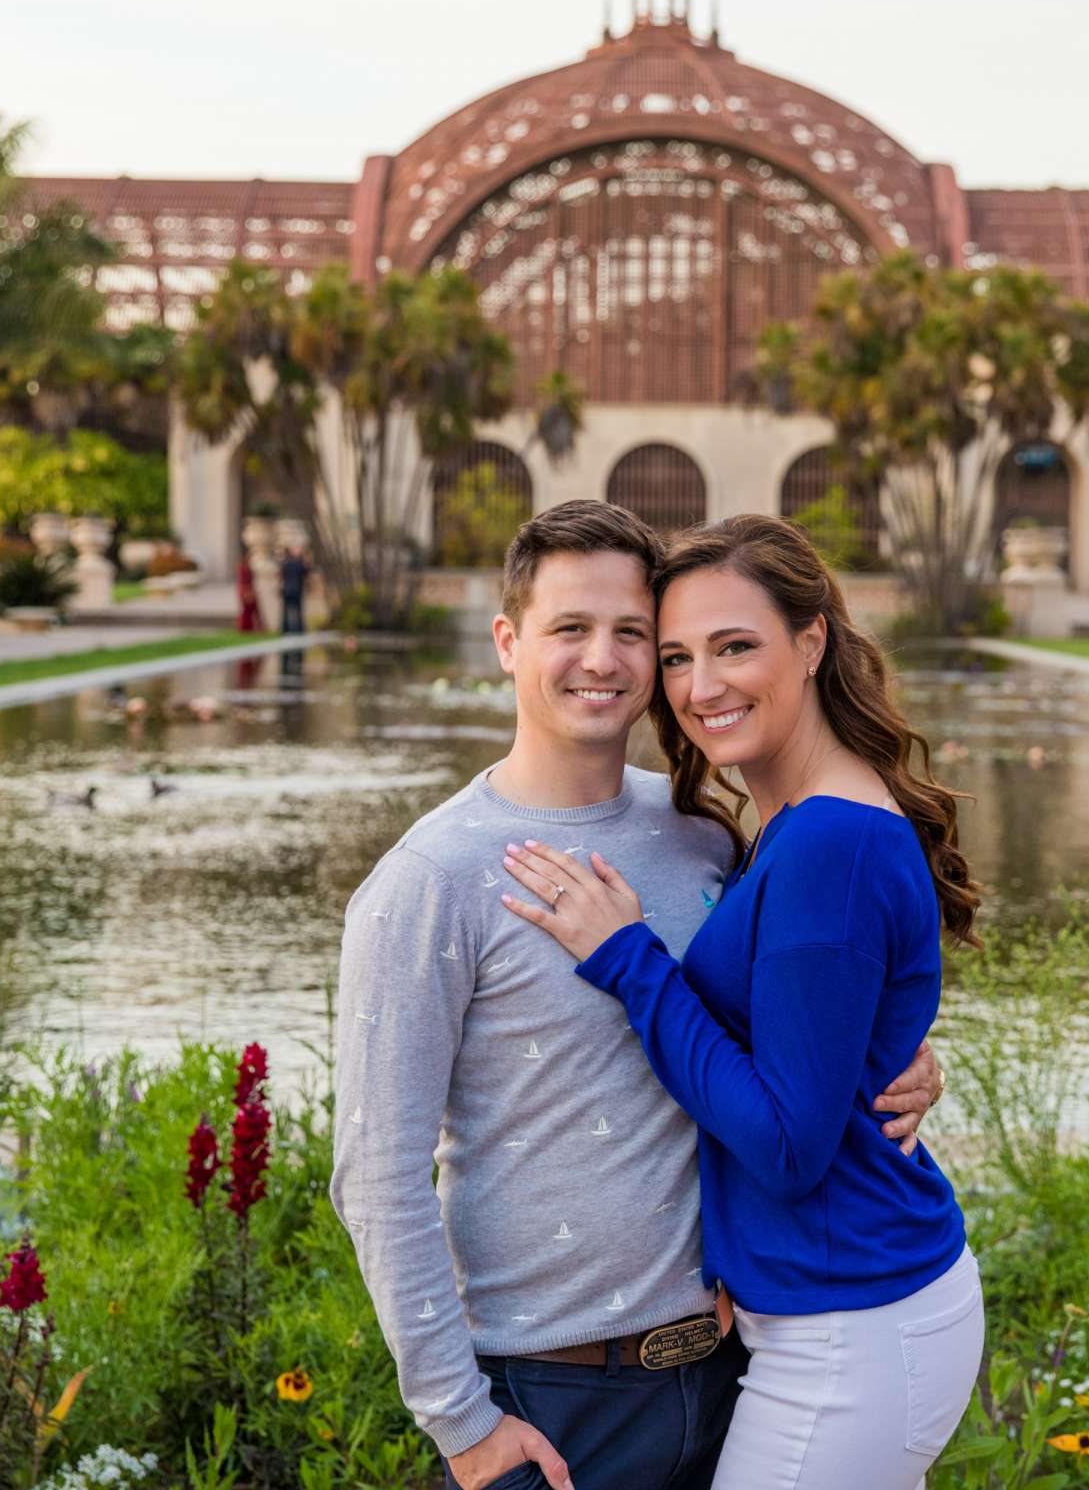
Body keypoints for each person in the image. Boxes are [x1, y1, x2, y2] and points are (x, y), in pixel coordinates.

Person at [330, 501, 943, 1490]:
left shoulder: (706, 829)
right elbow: (377, 1175)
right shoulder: (429, 881)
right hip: (553, 1401)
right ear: (507, 642)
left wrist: (897, 1060)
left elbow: (785, 1026)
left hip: (737, 1371)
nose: (603, 660)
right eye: (570, 628)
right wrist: (463, 1423)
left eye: (633, 635)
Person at [500, 514, 983, 1489]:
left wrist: (631, 960)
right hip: (845, 1311)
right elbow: (825, 1027)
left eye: (734, 647)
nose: (699, 686)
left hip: (849, 1332)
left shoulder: (825, 846)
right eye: (676, 655)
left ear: (812, 641)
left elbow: (791, 1146)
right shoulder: (799, 822)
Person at [279, 542, 313, 635]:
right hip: (296, 590)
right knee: (298, 611)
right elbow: (307, 571)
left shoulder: (285, 563)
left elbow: (281, 576)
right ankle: (299, 629)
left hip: (287, 590)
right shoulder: (298, 564)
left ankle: (286, 629)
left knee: (286, 611)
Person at [234, 549, 263, 633]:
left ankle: (252, 628)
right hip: (245, 590)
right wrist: (247, 592)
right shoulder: (242, 567)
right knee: (246, 610)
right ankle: (244, 628)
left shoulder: (248, 567)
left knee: (251, 610)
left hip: (249, 589)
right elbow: (243, 581)